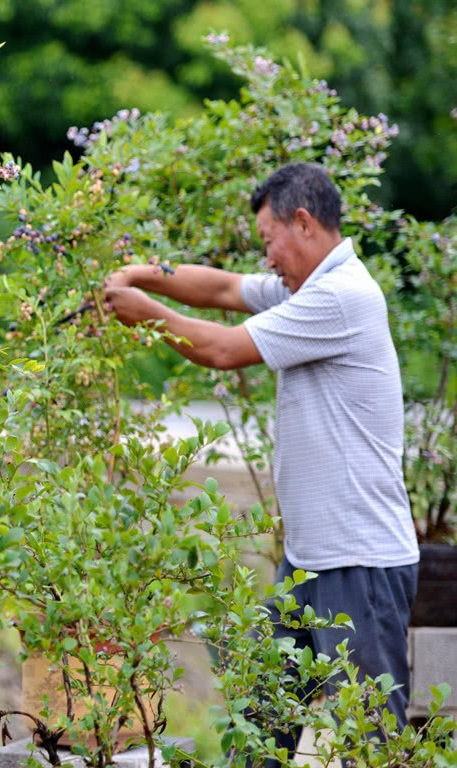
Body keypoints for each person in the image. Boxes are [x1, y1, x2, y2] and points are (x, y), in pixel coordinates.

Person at [101, 162, 419, 762]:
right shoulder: (307, 286)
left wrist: (143, 311)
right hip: (307, 562)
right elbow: (222, 289)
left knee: (372, 745)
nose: (266, 257)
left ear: (303, 223)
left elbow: (221, 349)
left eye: (268, 239)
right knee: (260, 729)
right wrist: (146, 275)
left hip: (360, 563)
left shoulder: (341, 296)